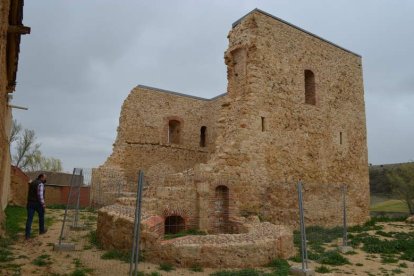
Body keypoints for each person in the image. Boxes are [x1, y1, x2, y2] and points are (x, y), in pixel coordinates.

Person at [25, 173, 47, 239]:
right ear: (41, 177)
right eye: (45, 178)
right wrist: (43, 204)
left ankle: (27, 235)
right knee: (41, 217)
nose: (45, 179)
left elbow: (30, 186)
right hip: (38, 204)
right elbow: (40, 195)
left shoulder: (32, 182)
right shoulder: (40, 184)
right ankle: (41, 230)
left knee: (29, 219)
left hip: (30, 203)